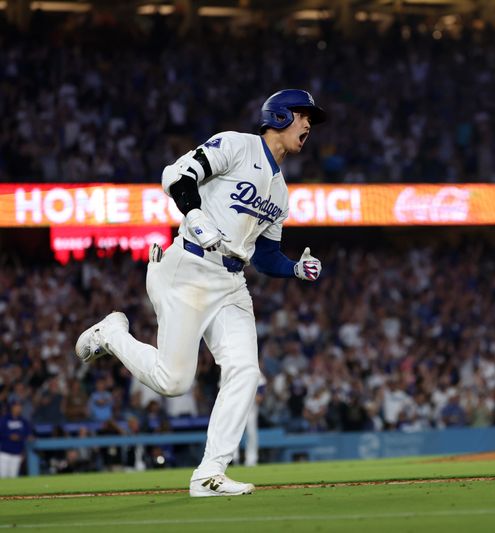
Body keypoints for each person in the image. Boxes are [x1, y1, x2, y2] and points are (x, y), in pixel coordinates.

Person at [75, 89, 325, 497]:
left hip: (231, 281)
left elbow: (265, 256)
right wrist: (193, 215)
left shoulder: (280, 192)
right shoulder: (237, 145)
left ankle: (210, 473)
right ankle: (110, 334)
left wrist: (294, 268)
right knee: (173, 382)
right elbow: (176, 176)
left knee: (245, 369)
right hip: (187, 267)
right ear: (278, 116)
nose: (309, 124)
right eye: (302, 115)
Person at [0, 400, 32, 478]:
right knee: (3, 477)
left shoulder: (23, 421)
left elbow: (28, 435)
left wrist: (22, 437)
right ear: (12, 407)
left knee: (13, 477)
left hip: (17, 452)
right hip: (4, 452)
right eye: (16, 406)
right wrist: (9, 435)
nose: (19, 408)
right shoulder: (4, 419)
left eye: (20, 406)